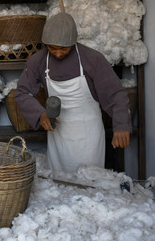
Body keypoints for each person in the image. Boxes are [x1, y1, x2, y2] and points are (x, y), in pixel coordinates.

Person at [15, 12, 132, 176]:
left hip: (89, 132)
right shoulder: (38, 61)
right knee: (59, 182)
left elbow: (115, 94)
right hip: (58, 134)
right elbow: (23, 93)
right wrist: (40, 114)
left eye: (63, 48)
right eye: (52, 48)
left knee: (90, 180)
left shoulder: (92, 59)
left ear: (73, 41)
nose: (57, 53)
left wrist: (121, 125)